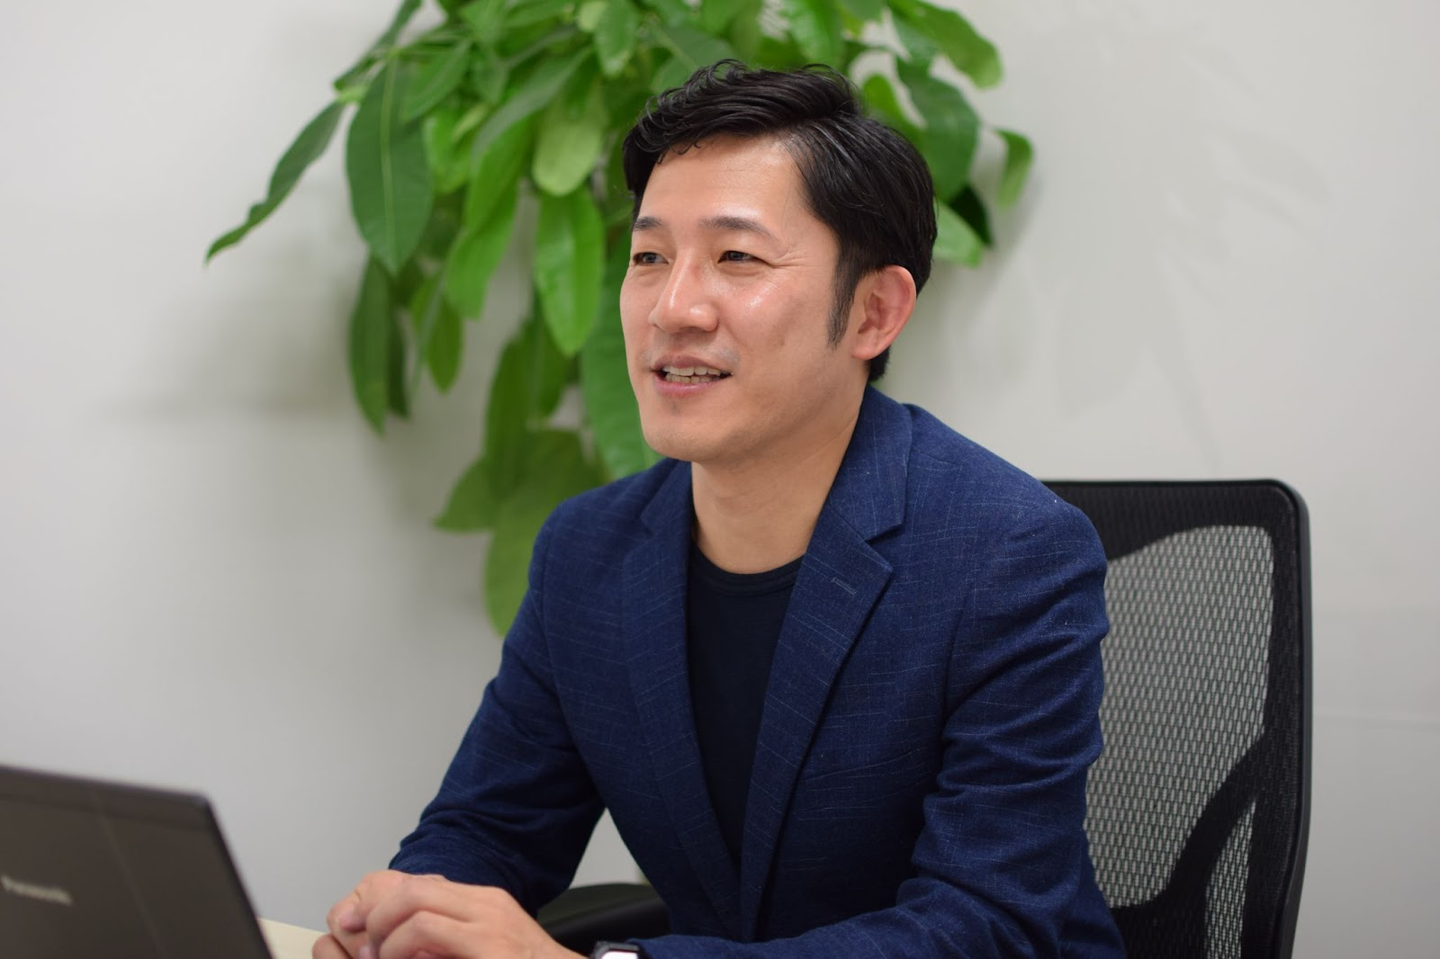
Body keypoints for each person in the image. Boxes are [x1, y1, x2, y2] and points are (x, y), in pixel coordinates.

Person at [315, 62, 1124, 959]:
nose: (673, 308)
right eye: (649, 257)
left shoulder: (1011, 555)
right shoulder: (587, 551)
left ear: (874, 312)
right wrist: (404, 923)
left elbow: (983, 926)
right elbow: (489, 829)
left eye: (737, 257)